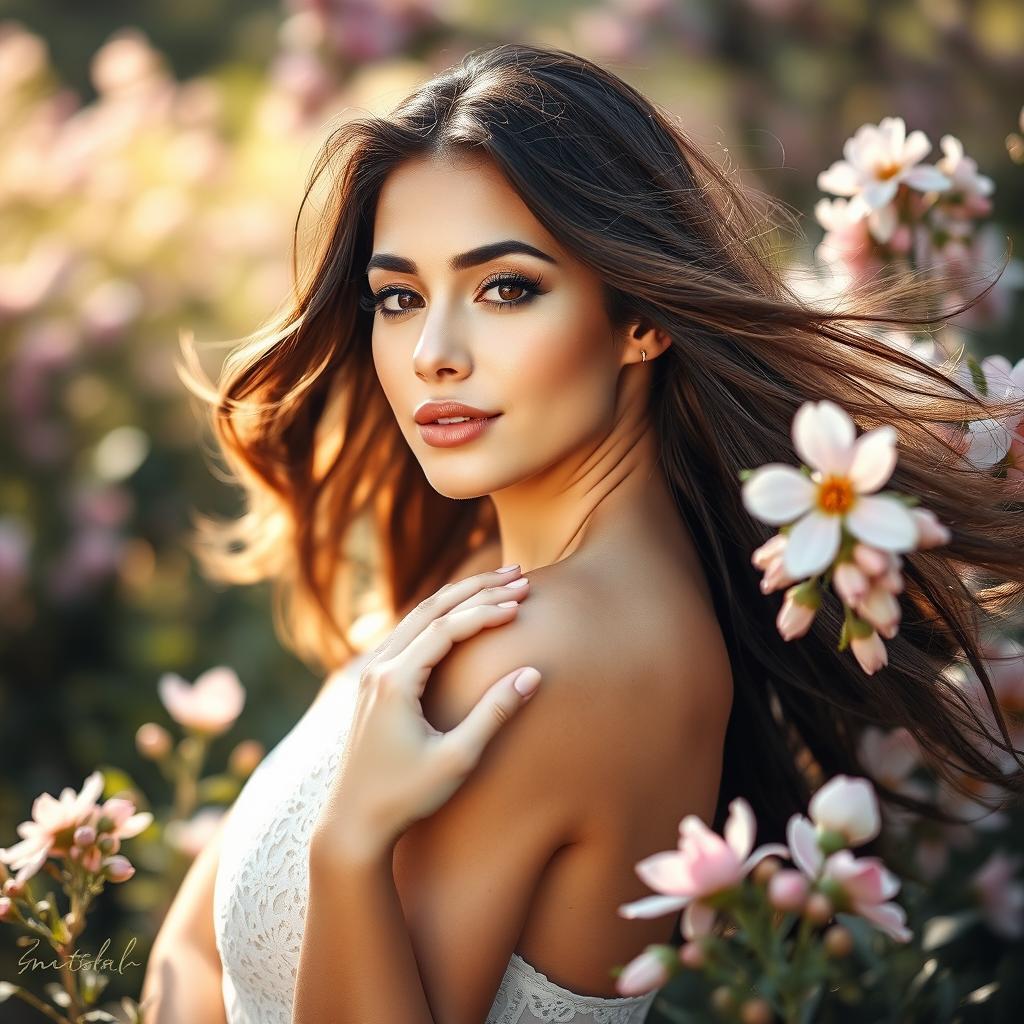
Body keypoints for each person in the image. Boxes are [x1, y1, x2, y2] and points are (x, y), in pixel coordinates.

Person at [142, 42, 1024, 1024]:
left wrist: (349, 845)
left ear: (640, 318)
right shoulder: (510, 579)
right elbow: (194, 949)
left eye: (505, 288)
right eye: (398, 297)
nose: (432, 354)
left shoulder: (549, 655)